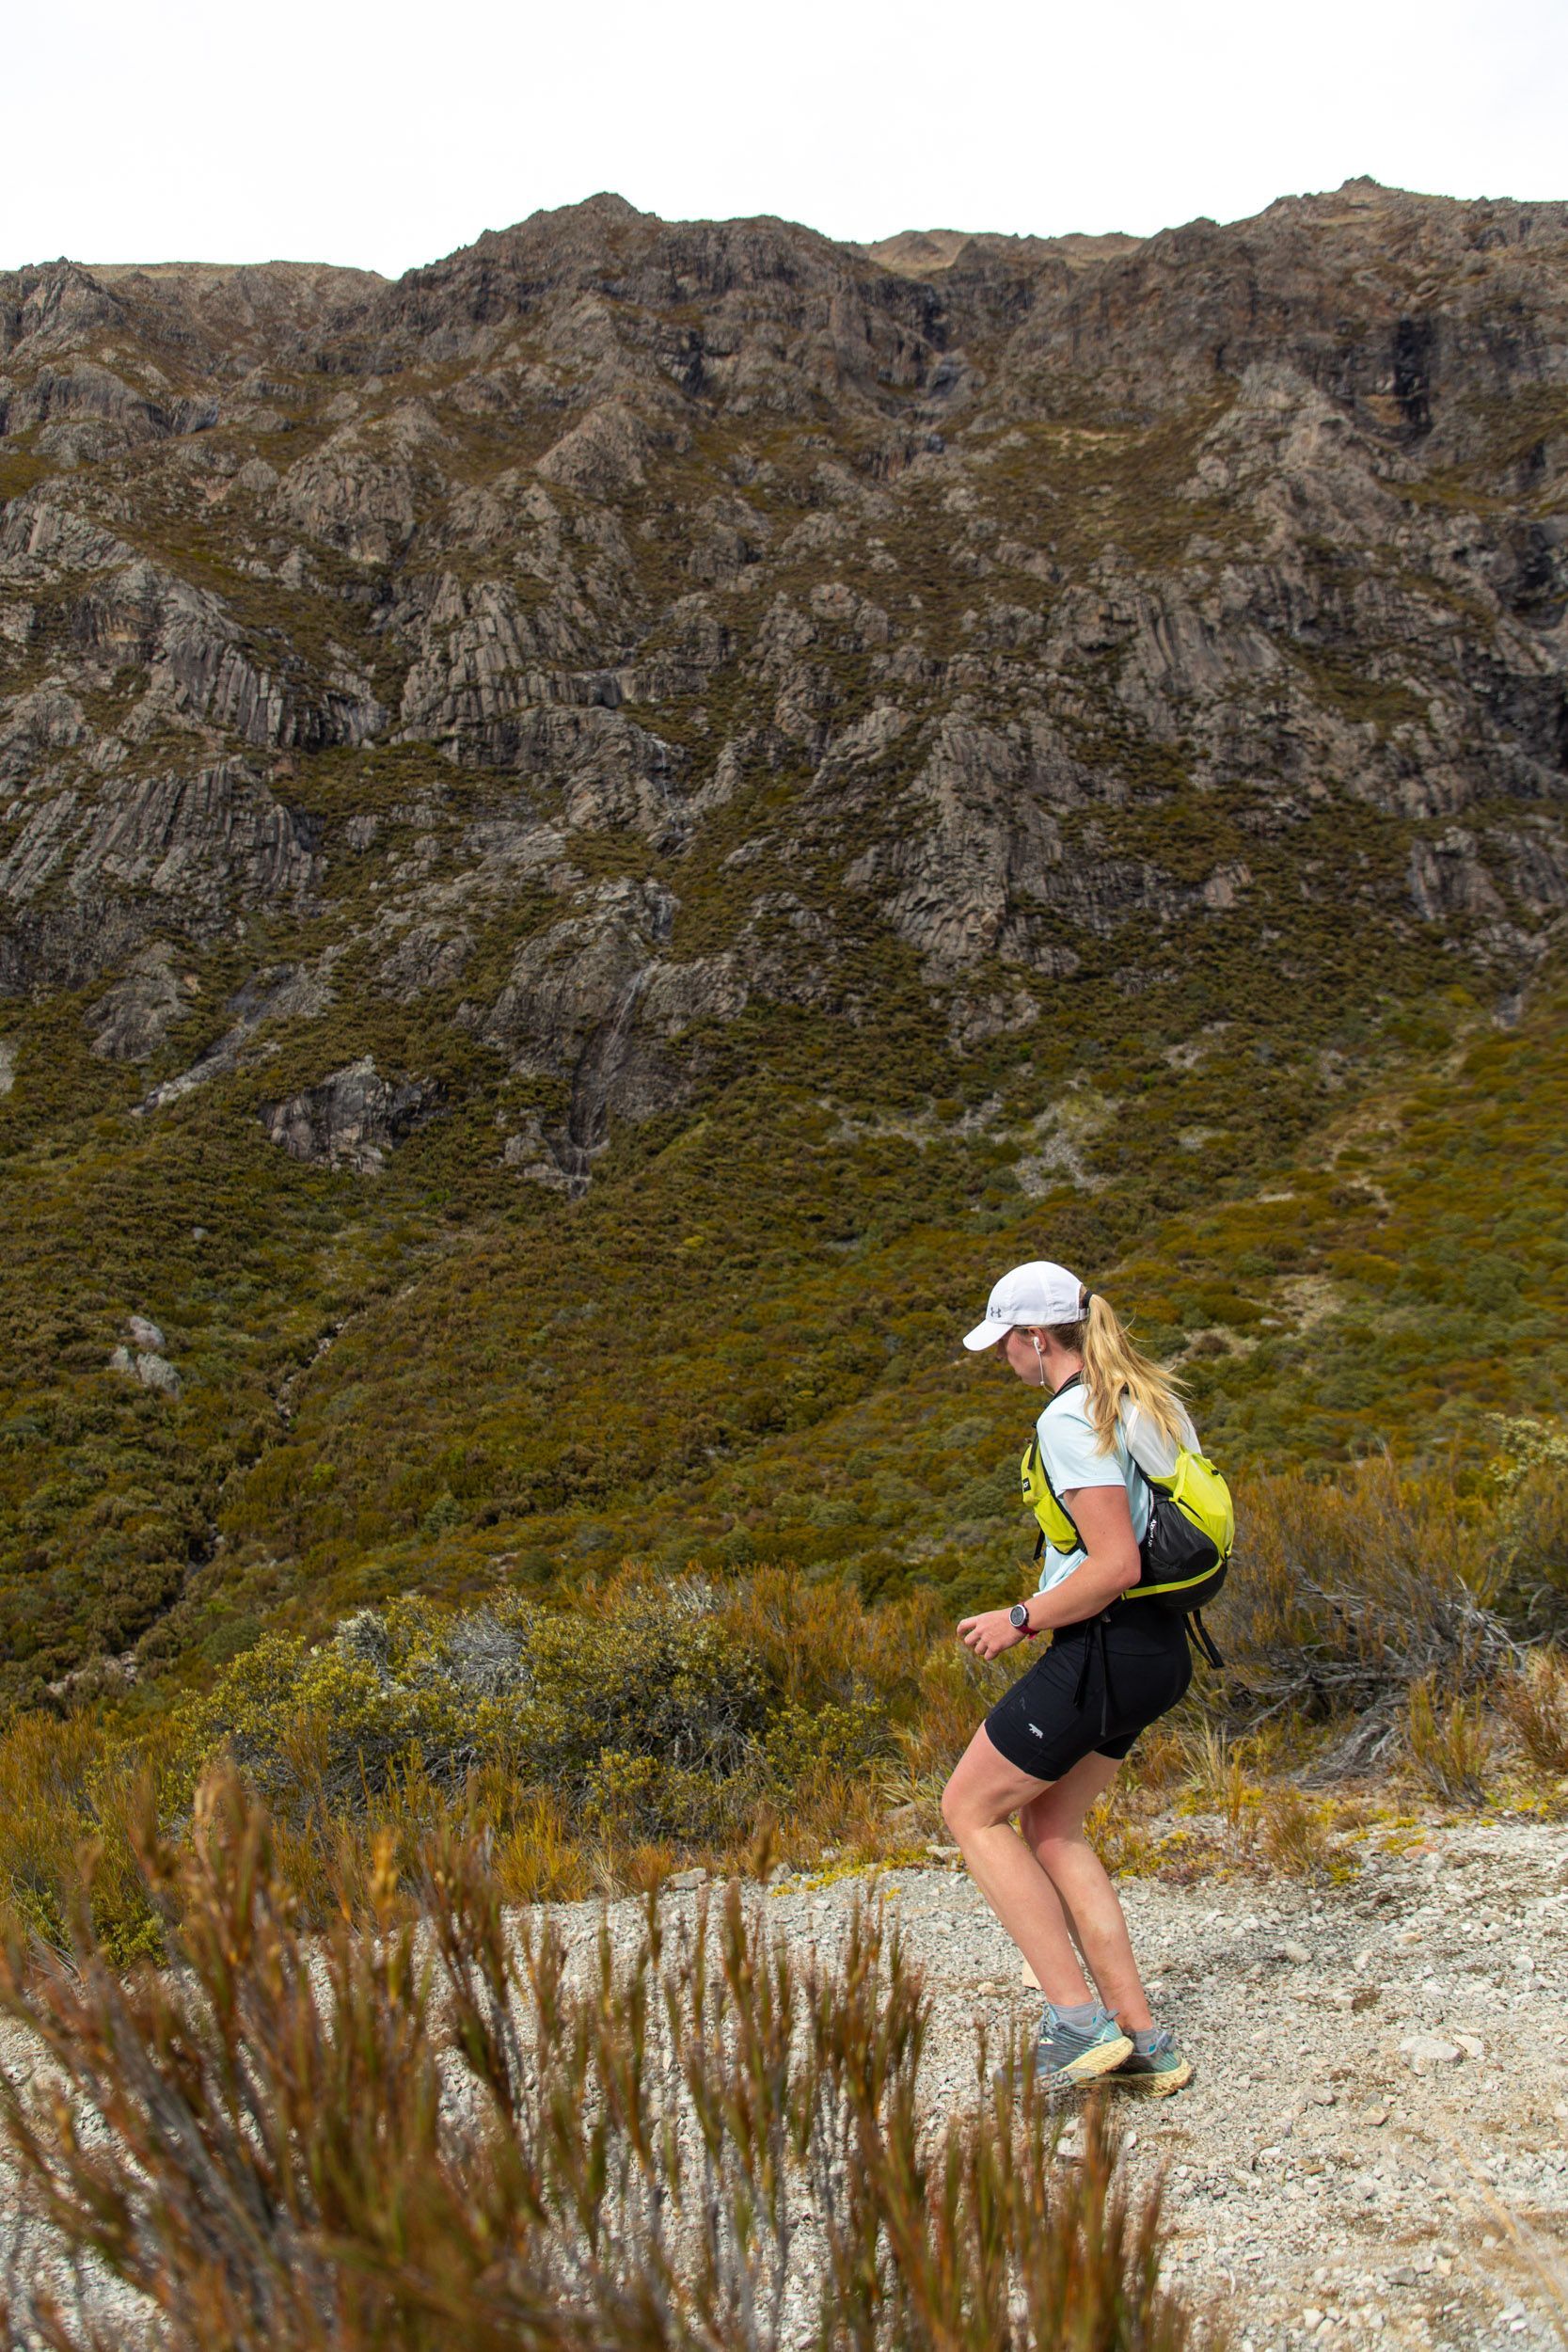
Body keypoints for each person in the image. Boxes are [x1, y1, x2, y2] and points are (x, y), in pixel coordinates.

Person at [940, 1259, 1196, 2096]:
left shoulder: (1069, 1418)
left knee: (970, 1809)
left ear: (1033, 1339)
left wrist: (1018, 1617)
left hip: (1105, 1646)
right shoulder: (1148, 1400)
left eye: (1004, 1345)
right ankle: (1143, 2042)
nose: (1002, 1360)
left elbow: (1114, 1562)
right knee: (1053, 1826)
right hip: (1159, 1650)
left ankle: (1076, 2022)